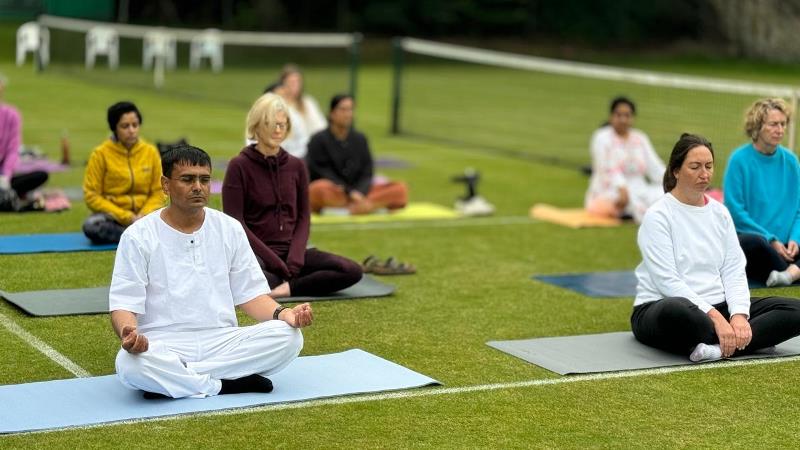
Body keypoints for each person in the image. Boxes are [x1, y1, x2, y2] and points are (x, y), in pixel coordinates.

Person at [111, 144, 313, 399]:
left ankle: (180, 379)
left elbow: (251, 296)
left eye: (204, 179)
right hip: (164, 343)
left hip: (222, 340)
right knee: (130, 365)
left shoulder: (229, 228)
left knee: (289, 337)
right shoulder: (138, 236)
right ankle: (223, 384)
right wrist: (129, 334)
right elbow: (124, 303)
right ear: (165, 184)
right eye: (187, 179)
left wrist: (286, 315)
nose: (198, 186)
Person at [632, 133, 800, 362]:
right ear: (676, 171)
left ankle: (718, 349)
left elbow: (733, 269)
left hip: (718, 305)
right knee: (678, 311)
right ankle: (754, 339)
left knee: (795, 310)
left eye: (709, 166)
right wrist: (716, 318)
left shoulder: (720, 213)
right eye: (695, 167)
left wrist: (739, 315)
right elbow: (667, 282)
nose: (704, 174)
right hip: (664, 307)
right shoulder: (658, 216)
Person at [223, 93, 362, 298]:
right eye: (271, 124)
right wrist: (274, 261)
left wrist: (296, 257)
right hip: (257, 256)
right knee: (250, 278)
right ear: (257, 125)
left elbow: (304, 217)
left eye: (282, 124)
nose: (277, 130)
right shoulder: (239, 166)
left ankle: (288, 288)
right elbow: (235, 223)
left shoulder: (296, 166)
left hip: (292, 252)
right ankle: (280, 281)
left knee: (351, 270)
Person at [724, 98, 800, 287]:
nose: (780, 130)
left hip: (789, 247)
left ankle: (787, 275)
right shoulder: (738, 160)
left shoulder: (791, 161)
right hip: (759, 244)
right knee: (752, 243)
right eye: (774, 124)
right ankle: (793, 272)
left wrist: (795, 239)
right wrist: (771, 240)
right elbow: (735, 213)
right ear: (757, 127)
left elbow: (799, 210)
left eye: (783, 124)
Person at [306, 94, 408, 214]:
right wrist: (349, 192)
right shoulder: (318, 139)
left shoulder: (360, 139)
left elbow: (367, 171)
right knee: (317, 189)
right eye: (343, 109)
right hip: (335, 190)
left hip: (359, 192)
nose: (348, 114)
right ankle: (368, 206)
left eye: (350, 110)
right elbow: (321, 172)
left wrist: (359, 193)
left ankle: (352, 208)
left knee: (400, 189)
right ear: (332, 113)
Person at [83, 101, 165, 244]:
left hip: (146, 215)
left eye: (135, 125)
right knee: (91, 226)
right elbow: (92, 196)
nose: (132, 130)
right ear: (114, 128)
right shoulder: (100, 154)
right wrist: (127, 217)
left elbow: (159, 191)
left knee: (175, 218)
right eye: (125, 126)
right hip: (115, 218)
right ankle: (136, 237)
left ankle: (134, 236)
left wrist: (144, 215)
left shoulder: (150, 152)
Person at [585, 96, 665, 223]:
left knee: (666, 193)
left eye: (627, 115)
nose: (623, 119)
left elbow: (655, 165)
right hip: (610, 190)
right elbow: (606, 169)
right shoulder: (602, 137)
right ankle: (638, 214)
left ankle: (634, 213)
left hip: (640, 188)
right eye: (619, 115)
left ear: (632, 118)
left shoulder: (640, 138)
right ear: (611, 116)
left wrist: (673, 182)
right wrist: (621, 187)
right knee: (625, 199)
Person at [0, 73, 48, 211]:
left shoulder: (12, 115)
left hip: (4, 176)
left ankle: (7, 194)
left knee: (40, 175)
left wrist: (5, 176)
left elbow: (13, 150)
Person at [276, 64, 327, 159]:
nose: (295, 85)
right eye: (291, 82)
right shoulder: (278, 105)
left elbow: (320, 127)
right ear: (282, 84)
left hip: (310, 150)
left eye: (298, 81)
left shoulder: (308, 102)